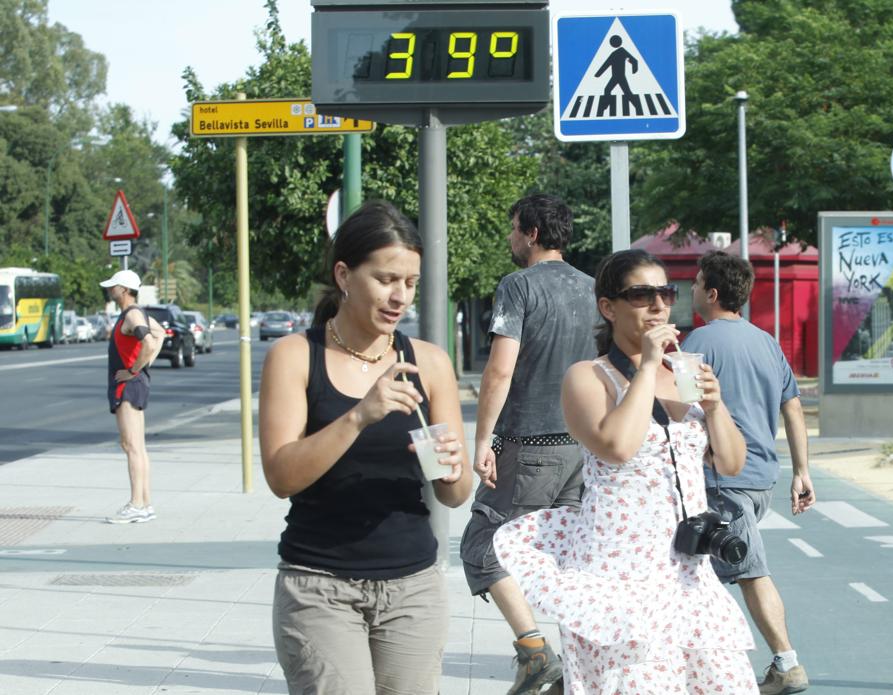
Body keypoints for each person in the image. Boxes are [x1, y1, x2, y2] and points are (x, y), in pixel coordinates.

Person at [494, 249, 759, 692]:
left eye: (665, 293)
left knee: (726, 683)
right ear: (608, 307)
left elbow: (730, 463)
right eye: (641, 294)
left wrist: (715, 406)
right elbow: (618, 446)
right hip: (620, 577)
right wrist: (649, 366)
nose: (658, 305)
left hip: (688, 575)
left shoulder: (687, 371)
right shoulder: (588, 377)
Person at [258, 200, 472, 694]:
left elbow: (455, 494)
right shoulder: (295, 357)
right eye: (386, 279)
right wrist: (359, 416)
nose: (400, 297)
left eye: (411, 284)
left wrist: (453, 470)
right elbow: (281, 476)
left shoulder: (429, 362)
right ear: (344, 275)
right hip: (318, 587)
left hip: (412, 587)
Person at [459, 193, 597, 693]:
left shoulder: (517, 287)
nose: (510, 236)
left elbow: (500, 370)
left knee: (482, 545)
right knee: (569, 558)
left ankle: (535, 652)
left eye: (514, 227)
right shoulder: (593, 288)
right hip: (585, 449)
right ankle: (581, 669)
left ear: (533, 233)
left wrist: (483, 441)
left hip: (529, 444)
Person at [681, 249, 814, 693]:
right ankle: (690, 659)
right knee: (701, 571)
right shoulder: (766, 341)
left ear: (712, 293)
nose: (693, 289)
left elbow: (677, 411)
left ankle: (787, 663)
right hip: (762, 480)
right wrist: (801, 471)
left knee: (748, 567)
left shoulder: (697, 344)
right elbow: (793, 408)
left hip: (722, 481)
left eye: (697, 282)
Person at [100, 269, 164, 524]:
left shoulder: (133, 314)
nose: (110, 289)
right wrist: (144, 366)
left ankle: (137, 503)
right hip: (133, 384)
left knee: (131, 446)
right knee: (137, 446)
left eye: (113, 286)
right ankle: (145, 504)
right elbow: (159, 334)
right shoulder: (135, 313)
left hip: (128, 386)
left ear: (124, 290)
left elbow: (149, 341)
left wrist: (134, 370)